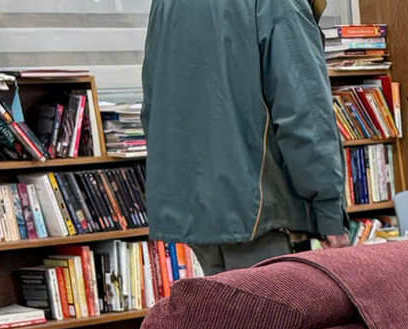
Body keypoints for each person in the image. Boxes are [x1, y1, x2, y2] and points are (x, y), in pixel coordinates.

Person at [142, 0, 349, 273]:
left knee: (223, 302)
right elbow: (305, 116)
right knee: (273, 302)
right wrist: (330, 213)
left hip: (196, 213)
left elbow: (153, 104)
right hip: (261, 214)